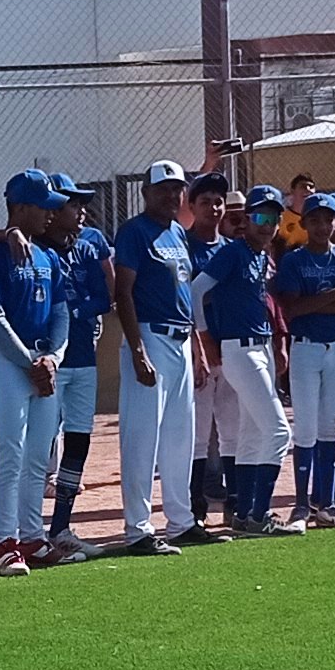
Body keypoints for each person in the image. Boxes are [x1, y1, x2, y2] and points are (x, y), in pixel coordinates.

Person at [0, 171, 66, 575]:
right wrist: (30, 362)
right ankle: (5, 541)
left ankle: (32, 535)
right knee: (12, 454)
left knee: (39, 456)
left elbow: (60, 312)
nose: (49, 215)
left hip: (43, 363)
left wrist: (53, 358)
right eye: (43, 207)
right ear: (20, 208)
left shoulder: (48, 255)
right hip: (9, 362)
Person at [192, 183, 293, 535]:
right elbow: (195, 291)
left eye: (274, 218)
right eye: (261, 216)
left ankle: (245, 514)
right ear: (247, 218)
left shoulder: (261, 255)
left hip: (259, 345)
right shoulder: (233, 252)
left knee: (251, 434)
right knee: (279, 432)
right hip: (239, 348)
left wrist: (277, 343)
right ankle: (259, 514)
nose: (268, 224)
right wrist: (205, 339)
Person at [108, 163, 199, 554]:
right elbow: (123, 292)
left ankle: (181, 521)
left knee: (181, 437)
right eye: (163, 188)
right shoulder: (134, 231)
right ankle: (138, 529)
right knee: (142, 438)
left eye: (177, 188)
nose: (171, 195)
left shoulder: (177, 231)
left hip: (179, 340)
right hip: (149, 336)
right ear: (145, 192)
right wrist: (138, 350)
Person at [271, 196, 335, 526]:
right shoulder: (294, 260)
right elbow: (291, 310)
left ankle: (327, 504)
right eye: (315, 221)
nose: (322, 227)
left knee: (331, 424)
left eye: (328, 220)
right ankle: (300, 505)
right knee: (306, 426)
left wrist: (324, 299)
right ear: (305, 224)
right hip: (306, 346)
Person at [41, 191, 109, 558]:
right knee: (41, 444)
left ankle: (61, 526)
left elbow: (103, 297)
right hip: (51, 362)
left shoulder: (86, 249)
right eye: (73, 205)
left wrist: (76, 309)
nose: (81, 211)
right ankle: (30, 532)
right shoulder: (37, 250)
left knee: (79, 440)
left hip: (83, 358)